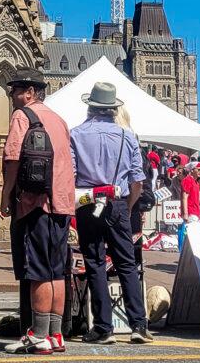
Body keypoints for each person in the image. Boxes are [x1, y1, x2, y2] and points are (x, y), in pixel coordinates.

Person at [70, 81, 153, 345]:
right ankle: (138, 324)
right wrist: (127, 206)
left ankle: (102, 327)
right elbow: (137, 180)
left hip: (86, 202)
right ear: (112, 109)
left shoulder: (75, 134)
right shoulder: (127, 136)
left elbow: (70, 175)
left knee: (94, 263)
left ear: (91, 107)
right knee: (127, 263)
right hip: (117, 202)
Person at [0, 67, 75, 355]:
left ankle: (37, 334)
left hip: (35, 203)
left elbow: (12, 158)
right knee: (57, 270)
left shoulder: (23, 116)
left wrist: (6, 195)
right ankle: (56, 334)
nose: (12, 96)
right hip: (61, 203)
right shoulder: (59, 120)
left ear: (30, 92)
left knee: (38, 271)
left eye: (15, 90)